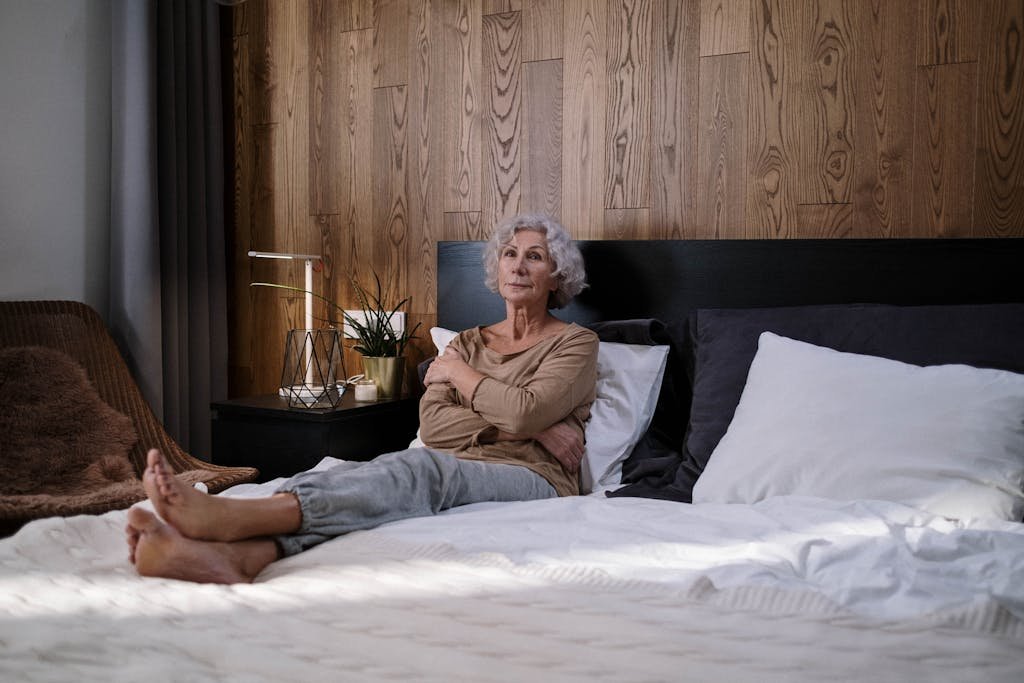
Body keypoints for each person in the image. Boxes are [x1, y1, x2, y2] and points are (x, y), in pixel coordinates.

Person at [125, 213, 599, 584]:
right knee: (362, 478)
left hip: (533, 477)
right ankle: (243, 557)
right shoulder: (468, 341)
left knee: (420, 469)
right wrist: (526, 425)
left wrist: (463, 379)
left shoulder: (574, 344)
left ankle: (232, 516)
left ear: (557, 276)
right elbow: (434, 428)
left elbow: (525, 409)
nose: (518, 265)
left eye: (535, 257)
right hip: (458, 462)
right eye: (510, 253)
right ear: (496, 267)